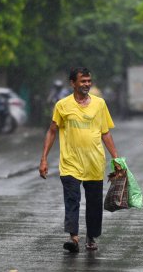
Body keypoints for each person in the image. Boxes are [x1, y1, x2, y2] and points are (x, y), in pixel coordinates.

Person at [39, 67, 119, 253]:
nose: (87, 84)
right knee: (72, 199)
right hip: (70, 163)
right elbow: (52, 131)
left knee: (93, 202)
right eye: (82, 81)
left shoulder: (99, 104)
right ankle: (73, 237)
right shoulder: (62, 105)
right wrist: (43, 159)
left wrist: (116, 158)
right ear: (72, 83)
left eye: (88, 81)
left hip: (94, 162)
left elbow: (105, 132)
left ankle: (91, 237)